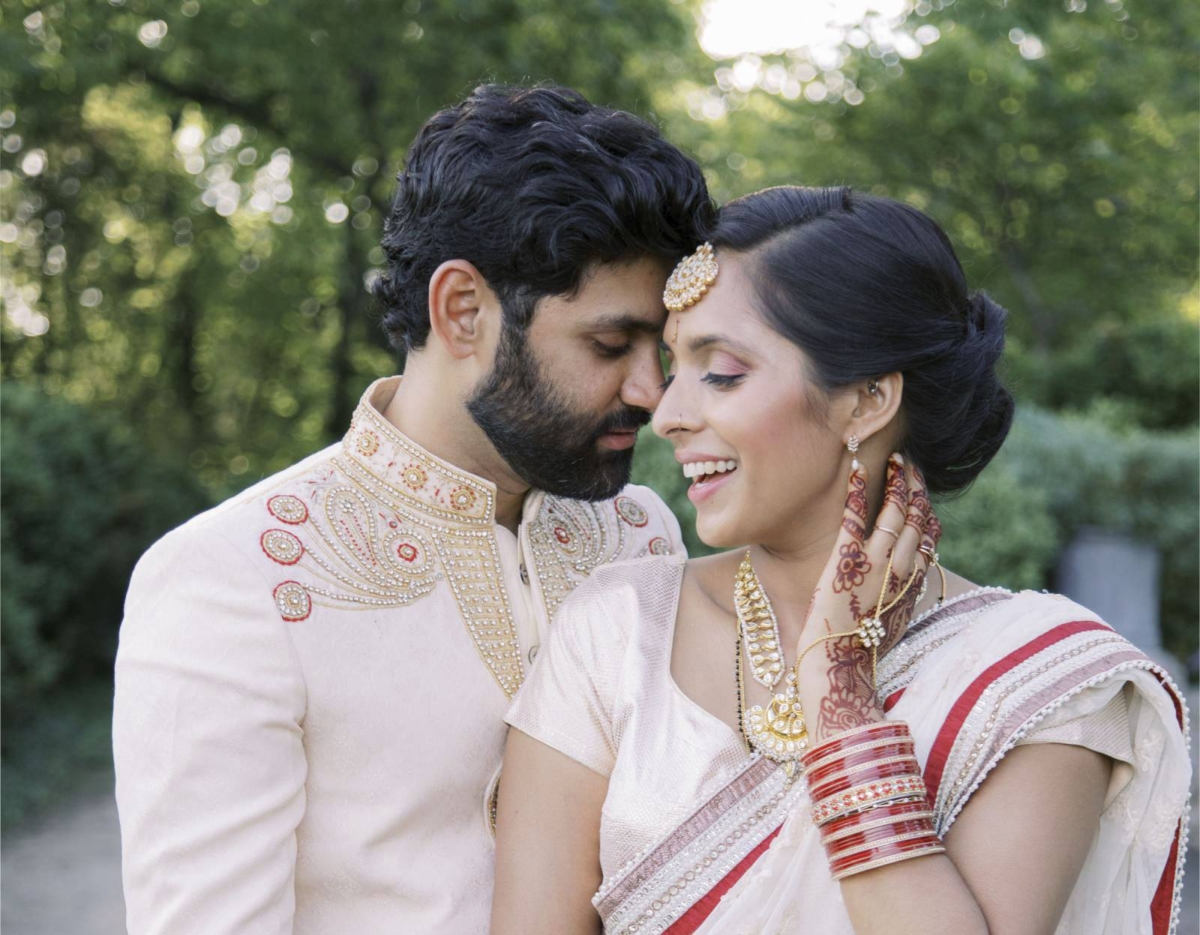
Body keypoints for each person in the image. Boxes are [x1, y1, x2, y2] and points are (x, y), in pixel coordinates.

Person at [493, 186, 1192, 935]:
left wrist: (844, 709)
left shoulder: (1038, 682)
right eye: (675, 366)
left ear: (866, 401)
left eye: (721, 372)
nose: (667, 413)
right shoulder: (617, 631)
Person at [112, 84, 715, 934]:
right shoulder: (229, 577)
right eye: (610, 345)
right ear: (462, 310)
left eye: (666, 347)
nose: (653, 391)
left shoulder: (641, 532)